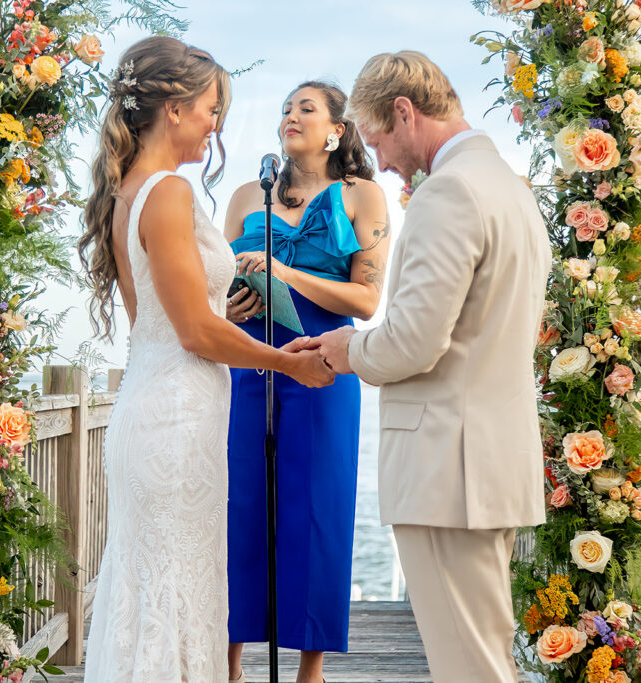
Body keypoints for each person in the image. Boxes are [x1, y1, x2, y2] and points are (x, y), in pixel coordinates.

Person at [77, 37, 334, 682]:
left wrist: (228, 318)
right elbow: (191, 332)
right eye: (211, 107)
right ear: (172, 107)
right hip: (177, 414)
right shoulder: (167, 193)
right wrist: (287, 363)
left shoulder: (130, 189)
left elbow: (162, 323)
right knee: (174, 579)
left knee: (160, 584)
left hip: (160, 399)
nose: (216, 123)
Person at [315, 51, 552, 682]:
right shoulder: (508, 187)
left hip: (450, 472)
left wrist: (346, 350)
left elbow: (416, 342)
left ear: (404, 111)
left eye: (378, 140)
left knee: (469, 670)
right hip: (489, 466)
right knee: (485, 661)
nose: (381, 161)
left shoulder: (448, 191)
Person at [221, 81, 390, 683]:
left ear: (336, 130)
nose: (291, 116)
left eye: (306, 109)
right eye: (285, 108)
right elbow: (215, 290)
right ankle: (231, 662)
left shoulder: (362, 196)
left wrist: (285, 271)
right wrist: (231, 307)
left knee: (319, 503)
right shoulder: (246, 194)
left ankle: (308, 669)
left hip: (324, 361)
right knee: (241, 503)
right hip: (250, 359)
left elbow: (367, 301)